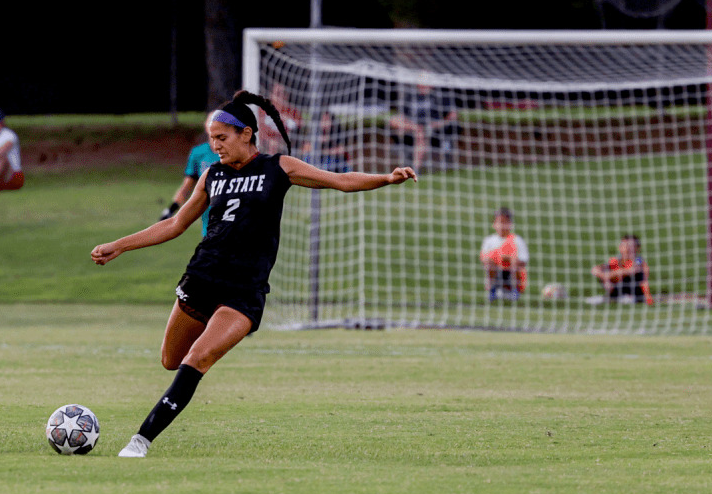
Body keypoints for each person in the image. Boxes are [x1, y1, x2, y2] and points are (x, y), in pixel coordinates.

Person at [91, 90, 417, 458]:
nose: (215, 146)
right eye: (212, 138)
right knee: (170, 360)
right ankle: (150, 427)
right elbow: (176, 224)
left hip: (243, 291)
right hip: (201, 277)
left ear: (247, 133)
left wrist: (386, 179)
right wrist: (120, 244)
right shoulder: (211, 175)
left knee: (197, 358)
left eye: (222, 138)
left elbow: (339, 180)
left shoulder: (280, 167)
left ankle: (140, 441)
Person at [158, 114, 219, 236]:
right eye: (210, 121)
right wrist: (170, 210)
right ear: (205, 126)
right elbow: (187, 186)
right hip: (208, 219)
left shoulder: (233, 153)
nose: (213, 125)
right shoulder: (198, 153)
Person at [388, 82, 459, 171]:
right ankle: (415, 129)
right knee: (393, 119)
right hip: (412, 126)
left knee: (420, 133)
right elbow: (403, 115)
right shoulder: (411, 95)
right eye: (420, 82)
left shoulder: (439, 95)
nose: (422, 85)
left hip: (432, 128)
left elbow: (453, 115)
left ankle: (415, 169)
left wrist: (439, 124)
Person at [479, 207, 529, 301]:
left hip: (511, 272)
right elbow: (483, 259)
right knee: (489, 261)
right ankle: (493, 290)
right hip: (496, 271)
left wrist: (508, 259)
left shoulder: (517, 240)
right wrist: (497, 258)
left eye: (505, 222)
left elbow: (523, 262)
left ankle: (514, 290)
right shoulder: (489, 241)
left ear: (510, 224)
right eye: (499, 222)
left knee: (514, 261)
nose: (502, 225)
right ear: (494, 224)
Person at [589, 234, 653, 305]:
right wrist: (604, 275)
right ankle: (613, 296)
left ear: (637, 248)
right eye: (625, 246)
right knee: (607, 274)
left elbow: (634, 270)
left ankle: (636, 297)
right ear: (620, 247)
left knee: (638, 275)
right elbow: (595, 270)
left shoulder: (638, 259)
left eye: (631, 246)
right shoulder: (616, 260)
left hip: (634, 289)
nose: (628, 248)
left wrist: (613, 274)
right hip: (618, 286)